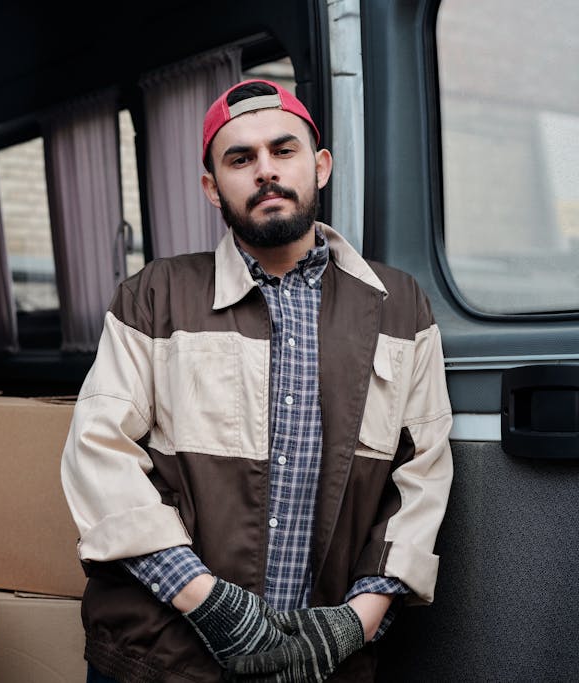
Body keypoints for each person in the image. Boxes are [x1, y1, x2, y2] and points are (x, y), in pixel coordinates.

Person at [60, 79, 453, 683]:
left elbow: (420, 472)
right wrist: (209, 604)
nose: (265, 171)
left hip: (325, 659)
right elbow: (98, 454)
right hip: (164, 654)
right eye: (240, 159)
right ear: (212, 188)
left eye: (283, 150)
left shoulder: (400, 305)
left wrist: (356, 623)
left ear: (320, 166)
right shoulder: (153, 297)